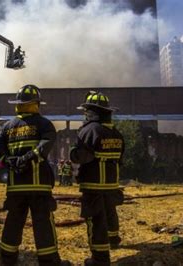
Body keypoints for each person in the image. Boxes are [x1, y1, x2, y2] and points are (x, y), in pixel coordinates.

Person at [0, 84, 70, 266]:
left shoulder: (7, 126)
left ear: (18, 104)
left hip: (15, 186)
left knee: (13, 222)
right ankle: (48, 261)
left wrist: (8, 161)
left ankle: (8, 259)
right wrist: (30, 157)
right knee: (43, 223)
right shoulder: (44, 124)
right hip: (38, 186)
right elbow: (46, 144)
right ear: (36, 104)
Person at [70, 91, 125, 265]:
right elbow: (120, 159)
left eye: (87, 111)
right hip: (111, 184)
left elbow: (81, 157)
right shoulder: (116, 133)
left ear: (92, 112)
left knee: (96, 220)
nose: (85, 114)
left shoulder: (89, 130)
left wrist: (73, 153)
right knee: (110, 212)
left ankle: (99, 258)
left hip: (93, 185)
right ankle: (114, 239)